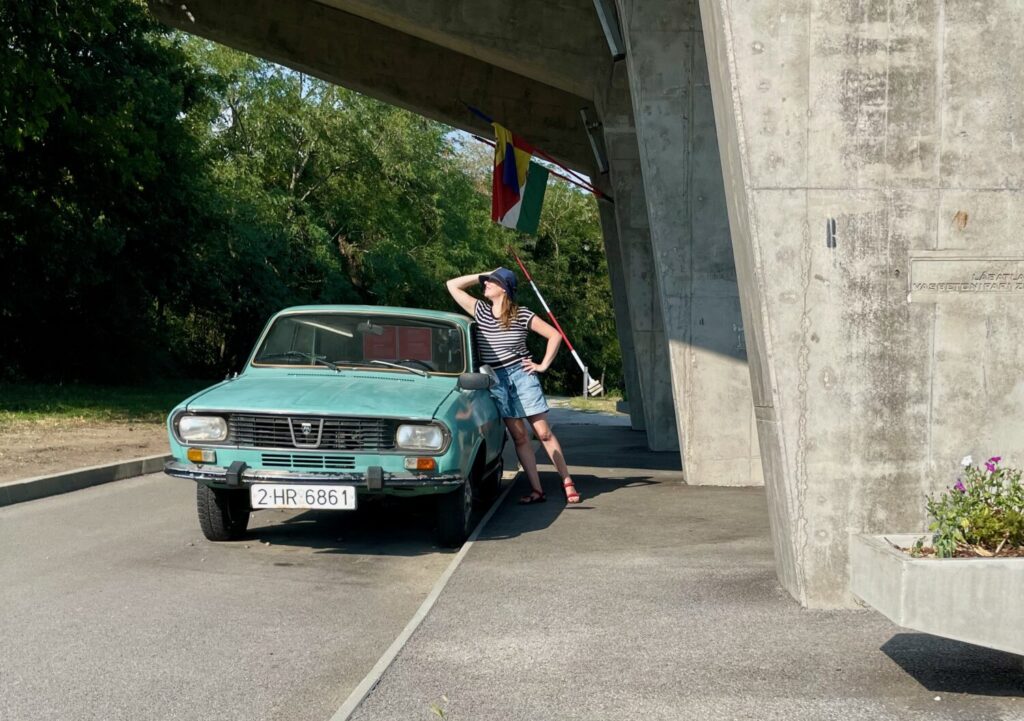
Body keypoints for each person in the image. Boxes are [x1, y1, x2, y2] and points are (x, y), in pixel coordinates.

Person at [446, 267, 580, 504]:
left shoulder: (522, 314)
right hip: (496, 379)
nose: (485, 284)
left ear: (504, 289)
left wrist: (542, 365)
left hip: (521, 374)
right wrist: (483, 274)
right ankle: (537, 490)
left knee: (543, 432)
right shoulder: (481, 310)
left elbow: (554, 335)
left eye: (490, 282)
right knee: (519, 436)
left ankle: (567, 481)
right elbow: (452, 285)